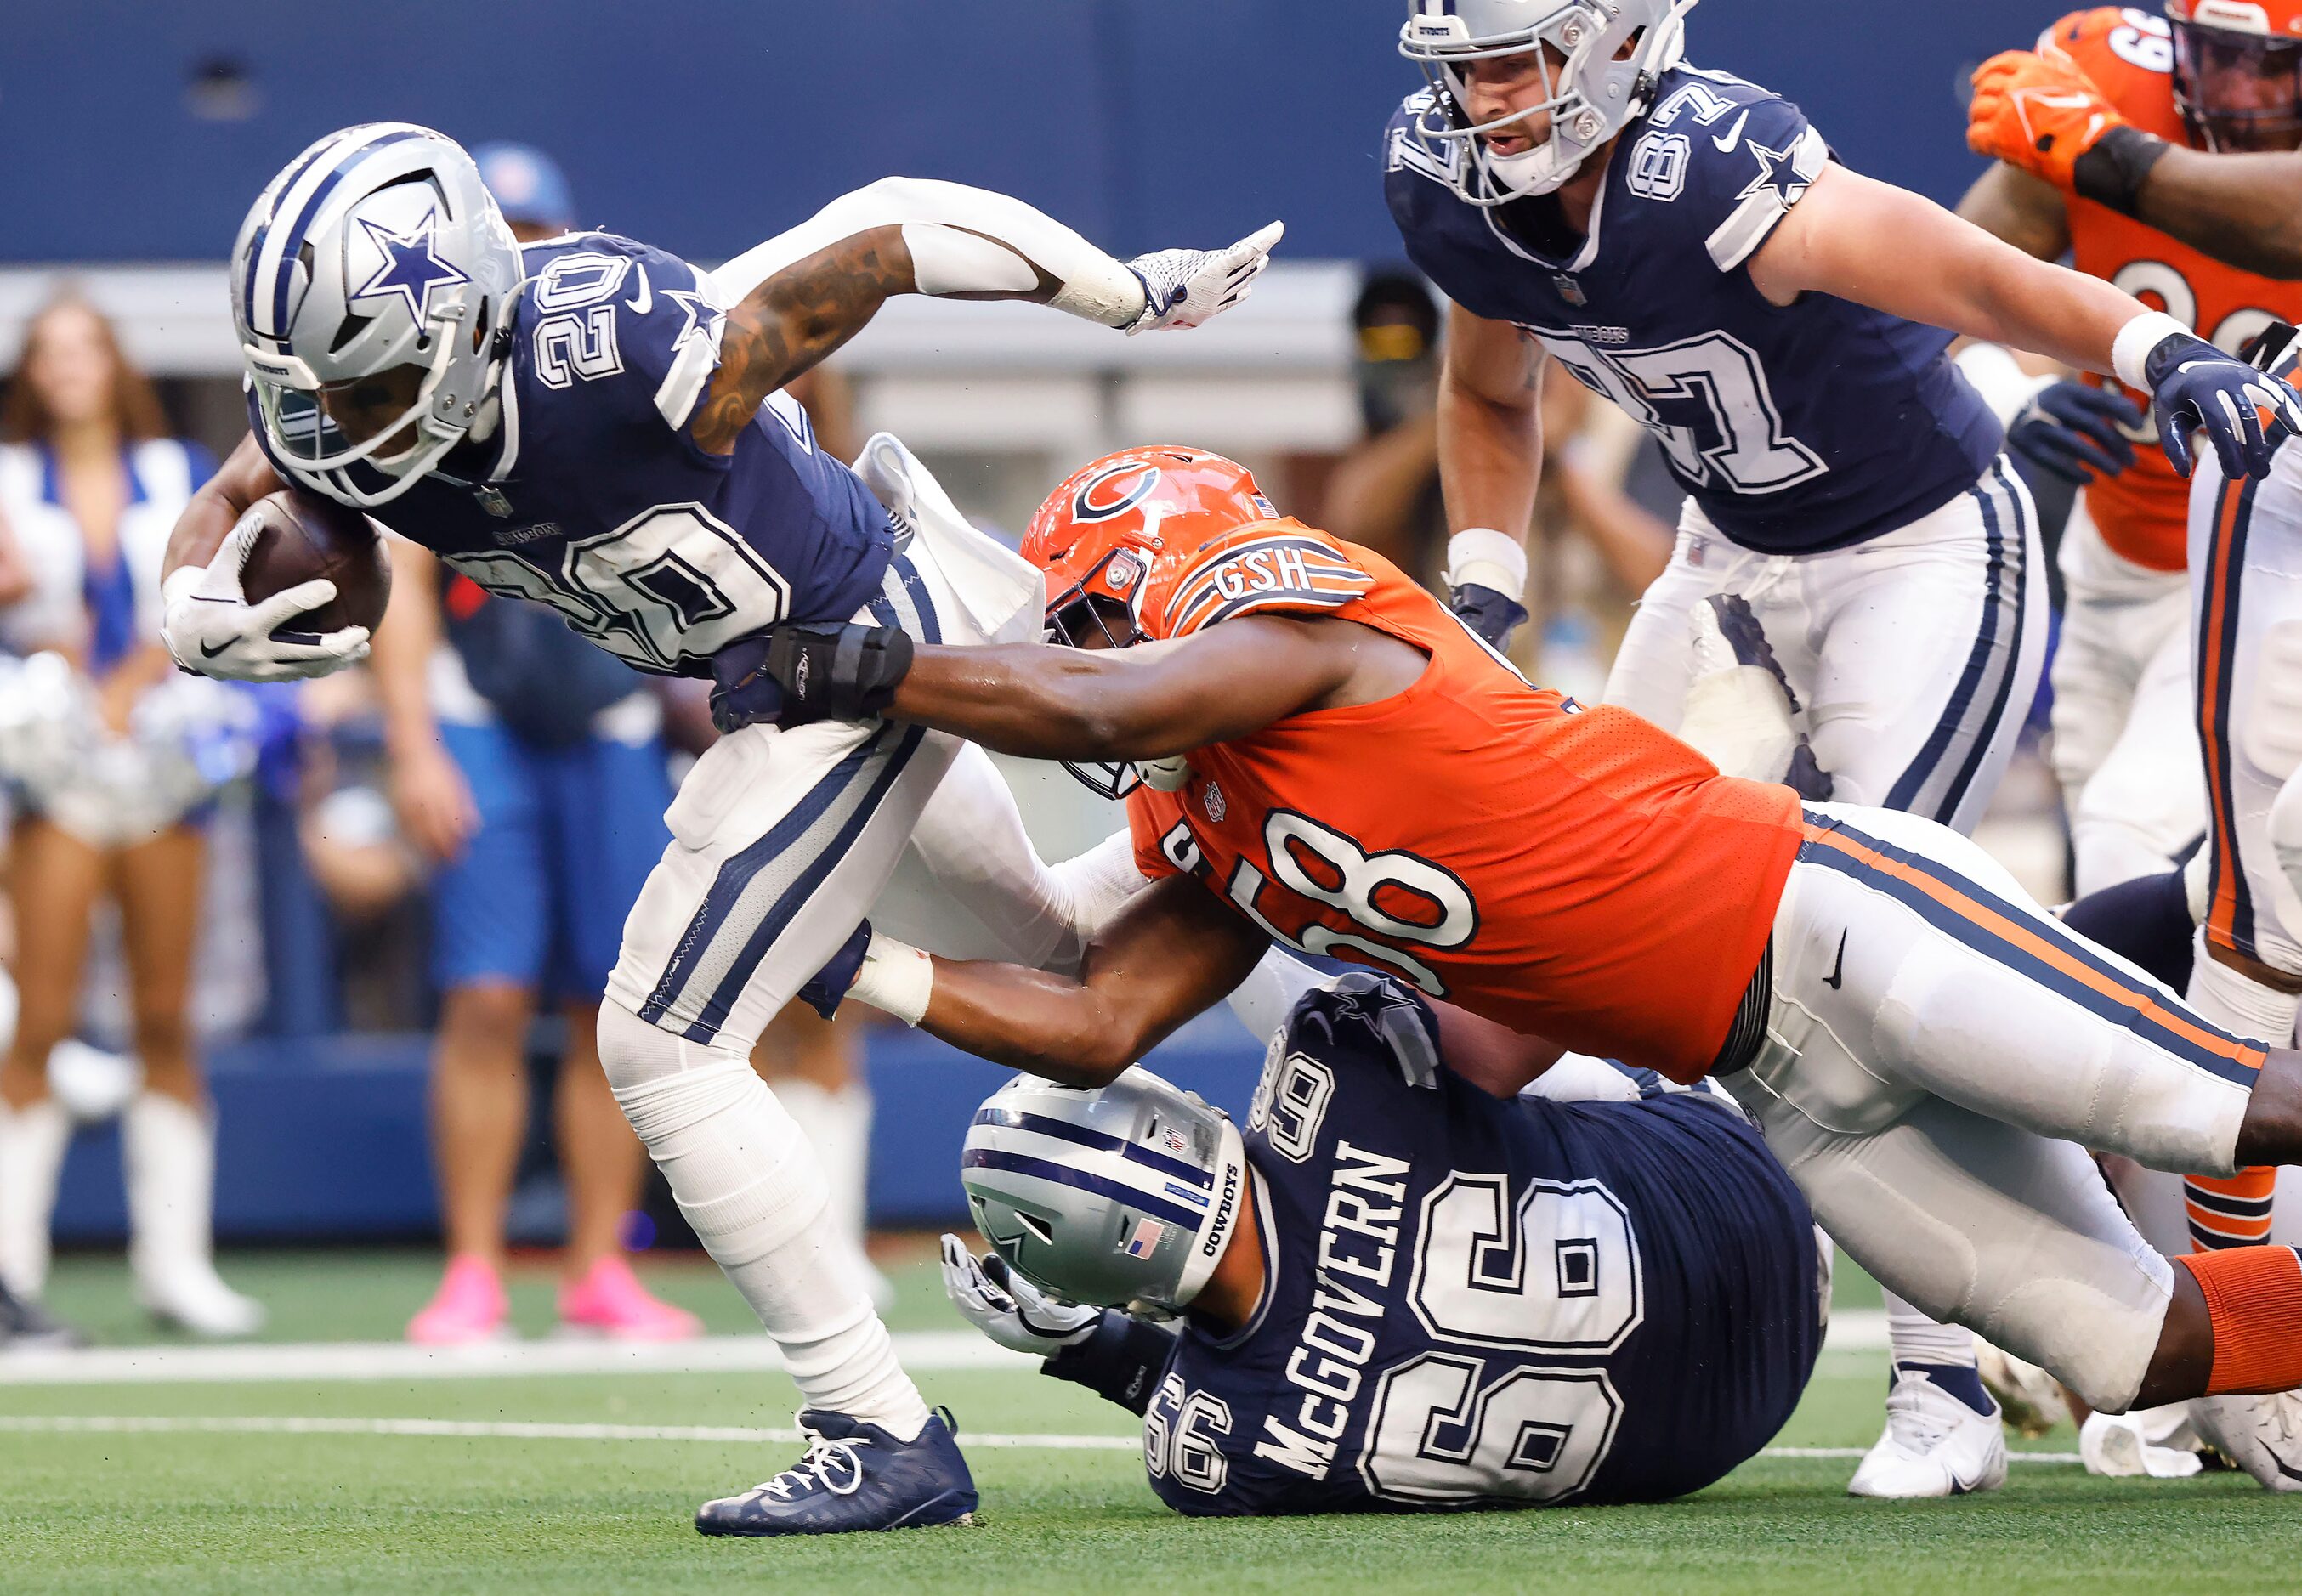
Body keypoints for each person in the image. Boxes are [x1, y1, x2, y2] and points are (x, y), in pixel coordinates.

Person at [766, 445, 2302, 1493]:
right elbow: (1097, 1022)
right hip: (1776, 1082)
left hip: (1832, 919)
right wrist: (850, 957)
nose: (1081, 651)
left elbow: (1104, 705)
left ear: (1172, 566)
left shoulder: (1306, 611)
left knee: (2233, 1108)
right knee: (2133, 1344)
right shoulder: (1209, 812)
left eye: (1093, 615)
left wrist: (875, 664)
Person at [159, 122, 1279, 1535]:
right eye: (313, 380)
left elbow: (886, 227)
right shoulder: (352, 404)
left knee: (656, 1034)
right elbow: (232, 490)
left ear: (459, 318)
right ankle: (1279, 860)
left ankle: (874, 1424)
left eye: (367, 373)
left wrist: (1120, 294)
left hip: (848, 654)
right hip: (790, 679)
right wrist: (185, 600)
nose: (337, 415)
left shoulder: (604, 340)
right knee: (1069, 947)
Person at [1381, 0, 2299, 1498]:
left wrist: (2153, 351)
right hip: (1723, 561)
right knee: (1562, 898)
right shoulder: (1449, 183)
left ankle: (1952, 1388)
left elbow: (1978, 279)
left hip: (1921, 555)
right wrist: (1482, 579)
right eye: (1463, 66)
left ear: (1613, 45)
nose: (1479, 98)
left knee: (1867, 956)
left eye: (1513, 61)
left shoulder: (1713, 167)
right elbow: (1489, 389)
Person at [1958, 2, 2302, 1470]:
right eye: (2219, 56)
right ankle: (2153, 1333)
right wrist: (2011, 400)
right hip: (2116, 571)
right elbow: (1949, 274)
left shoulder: (2094, 108)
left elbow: (2274, 221)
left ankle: (2212, 1344)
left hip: (2278, 559)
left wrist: (2102, 149)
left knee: (2200, 904)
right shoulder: (2091, 60)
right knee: (2171, 933)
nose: (2244, 92)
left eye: (2280, 65)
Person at [939, 973, 1823, 1515]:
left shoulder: (1205, 1464)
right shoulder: (1334, 1067)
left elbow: (1255, 1380)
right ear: (1165, 1123)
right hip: (1754, 1186)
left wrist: (1092, 1349)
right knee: (1470, 1011)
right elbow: (1561, 979)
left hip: (1729, 1421)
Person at [366, 140, 700, 1344]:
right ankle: (472, 1268)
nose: (522, 254)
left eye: (536, 231)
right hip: (481, 716)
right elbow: (398, 575)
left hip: (608, 715)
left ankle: (603, 1265)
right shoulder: (422, 393)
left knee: (616, 1005)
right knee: (487, 998)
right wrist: (414, 745)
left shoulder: (615, 377)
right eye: (500, 233)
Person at [0, 296, 264, 1338]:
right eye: (49, 350)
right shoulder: (8, 479)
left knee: (165, 1015)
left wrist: (143, 670)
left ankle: (175, 1267)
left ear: (115, 362)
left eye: (87, 346)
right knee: (43, 1017)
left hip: (161, 765)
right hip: (56, 769)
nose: (70, 366)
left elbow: (214, 594)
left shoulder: (176, 470)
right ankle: (13, 1271)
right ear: (31, 370)